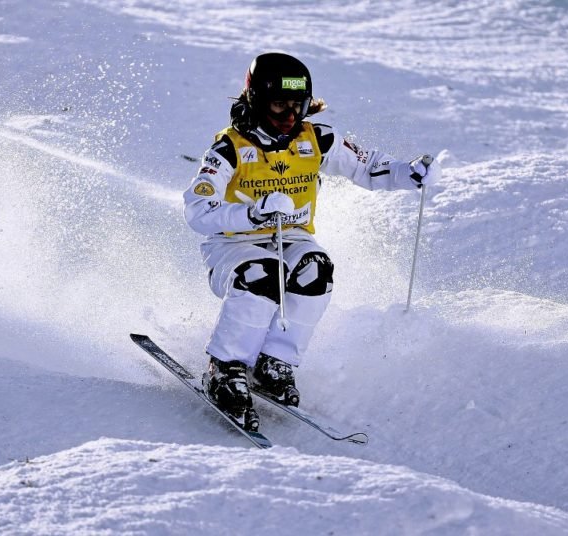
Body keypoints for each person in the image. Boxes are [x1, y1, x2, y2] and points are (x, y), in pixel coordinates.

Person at [182, 52, 439, 431]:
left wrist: (409, 173)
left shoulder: (316, 138)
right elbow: (197, 210)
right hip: (233, 245)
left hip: (291, 237)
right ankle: (225, 368)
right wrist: (252, 212)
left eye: (297, 106)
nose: (289, 116)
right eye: (278, 105)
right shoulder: (229, 150)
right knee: (262, 275)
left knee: (315, 271)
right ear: (255, 100)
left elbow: (366, 166)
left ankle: (274, 362)